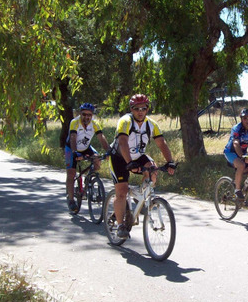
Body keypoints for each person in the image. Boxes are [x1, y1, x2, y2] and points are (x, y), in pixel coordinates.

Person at [109, 94, 176, 238]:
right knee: (121, 191)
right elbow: (122, 142)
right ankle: (121, 225)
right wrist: (129, 163)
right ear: (131, 109)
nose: (140, 111)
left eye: (143, 108)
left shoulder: (151, 124)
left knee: (152, 170)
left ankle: (139, 197)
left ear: (147, 109)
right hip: (119, 158)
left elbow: (162, 143)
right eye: (136, 108)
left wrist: (170, 161)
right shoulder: (125, 121)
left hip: (138, 156)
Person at [65, 103, 110, 213]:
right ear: (80, 114)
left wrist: (109, 151)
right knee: (71, 173)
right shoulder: (75, 122)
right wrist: (75, 153)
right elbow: (73, 138)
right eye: (84, 114)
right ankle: (71, 200)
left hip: (86, 147)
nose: (86, 117)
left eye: (89, 115)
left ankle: (88, 178)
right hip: (72, 148)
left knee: (97, 161)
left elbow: (101, 137)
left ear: (92, 115)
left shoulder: (94, 124)